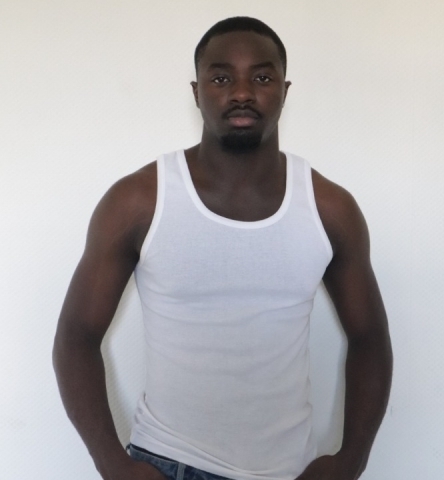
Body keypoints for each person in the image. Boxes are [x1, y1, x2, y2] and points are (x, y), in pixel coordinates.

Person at [53, 16, 392, 480]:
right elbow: (76, 337)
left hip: (289, 471)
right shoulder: (139, 201)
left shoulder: (330, 209)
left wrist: (351, 460)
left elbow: (370, 338)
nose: (242, 93)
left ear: (285, 90)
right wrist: (114, 466)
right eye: (221, 78)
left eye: (262, 78)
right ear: (196, 92)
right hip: (169, 463)